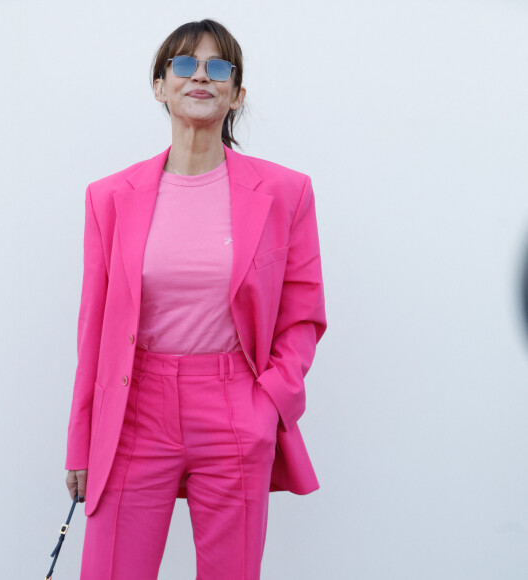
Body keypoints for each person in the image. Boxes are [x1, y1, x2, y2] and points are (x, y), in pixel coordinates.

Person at [64, 18, 327, 580]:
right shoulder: (109, 198)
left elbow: (302, 314)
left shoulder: (286, 192)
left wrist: (267, 403)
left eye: (218, 67)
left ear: (236, 93)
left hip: (234, 404)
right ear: (160, 85)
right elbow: (94, 333)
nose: (200, 76)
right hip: (135, 408)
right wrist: (81, 442)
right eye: (184, 64)